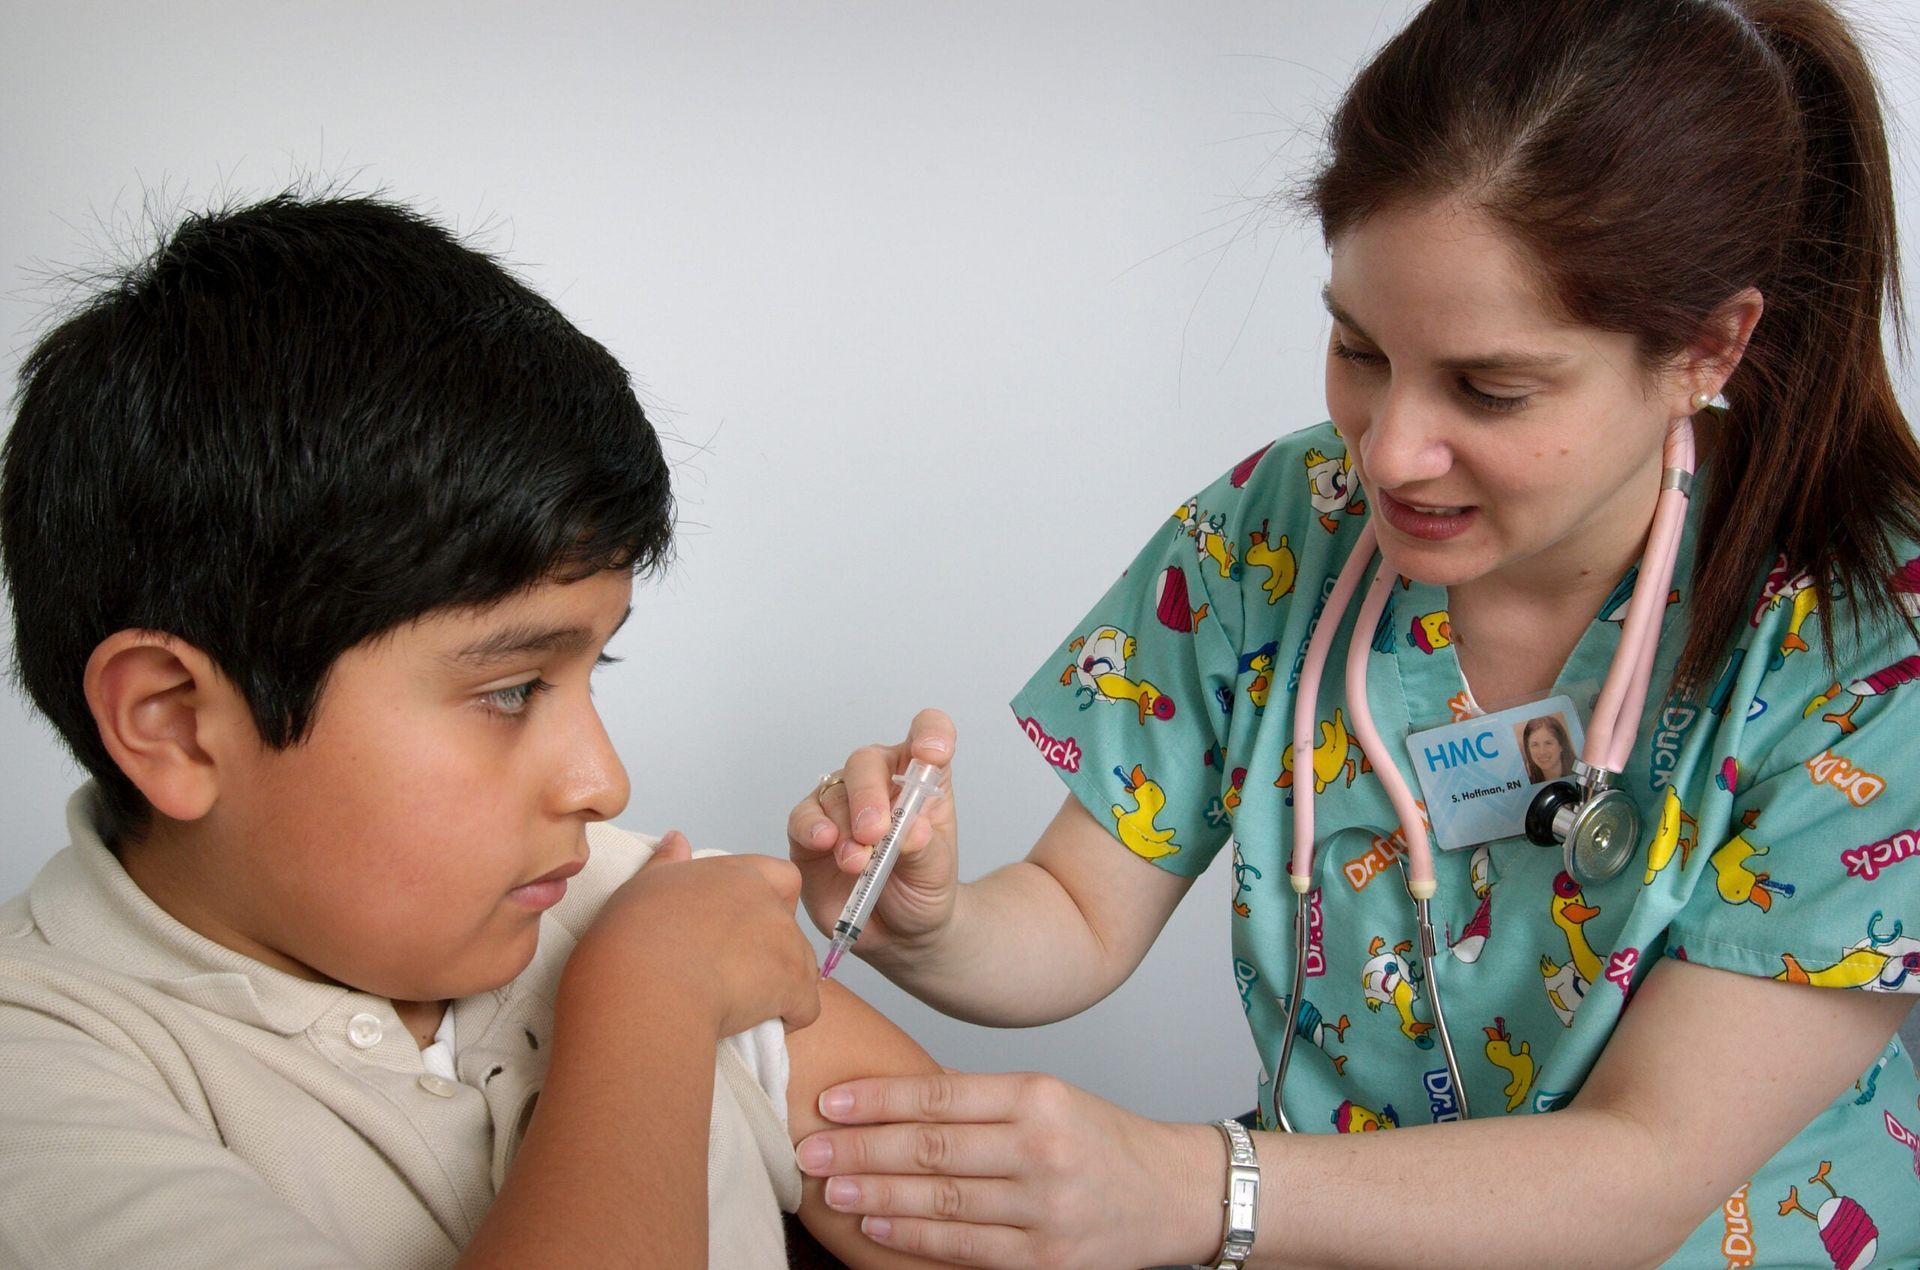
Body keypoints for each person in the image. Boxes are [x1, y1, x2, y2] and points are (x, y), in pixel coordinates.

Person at [784, 1, 1920, 1265]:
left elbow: (1645, 1167)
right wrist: (931, 926)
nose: (1388, 452)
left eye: (1489, 389)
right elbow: (1078, 913)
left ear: (1711, 344)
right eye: (1358, 348)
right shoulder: (1286, 527)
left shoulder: (1872, 640)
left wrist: (1190, 1187)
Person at [0, 192, 949, 1268]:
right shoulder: (39, 1083)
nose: (605, 781)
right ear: (175, 723)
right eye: (511, 689)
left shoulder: (621, 899)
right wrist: (649, 1009)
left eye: (600, 666)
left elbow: (1000, 1216)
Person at [1520, 715, 1575, 784]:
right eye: (1535, 745)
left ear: (1561, 745)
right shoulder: (1527, 785)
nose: (1542, 752)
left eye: (1548, 743)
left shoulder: (1581, 776)